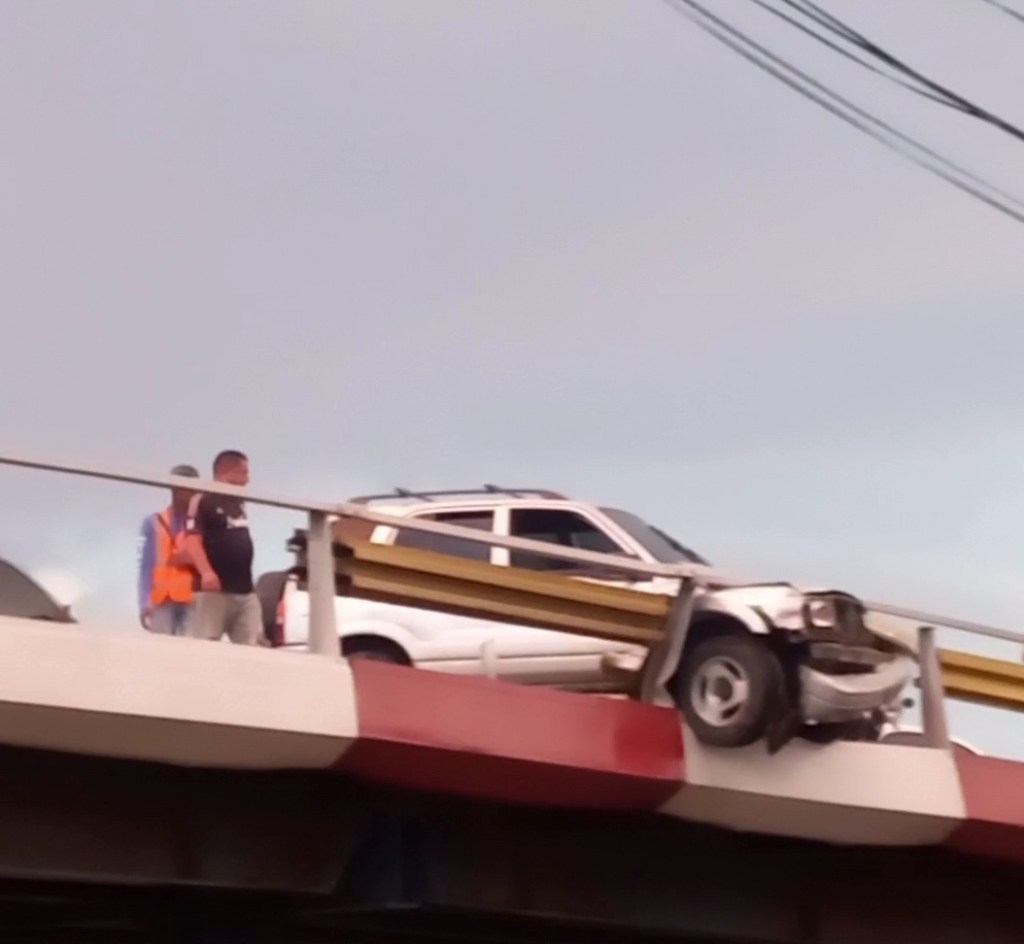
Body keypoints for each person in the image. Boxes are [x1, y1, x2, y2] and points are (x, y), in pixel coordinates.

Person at [184, 449, 262, 645]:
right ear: (228, 471)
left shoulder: (239, 501)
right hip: (214, 592)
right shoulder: (203, 499)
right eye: (244, 473)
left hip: (245, 591)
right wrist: (206, 573)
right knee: (206, 646)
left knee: (253, 645)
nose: (248, 479)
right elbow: (192, 540)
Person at [136, 464, 200, 636]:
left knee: (193, 653)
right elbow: (145, 565)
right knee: (161, 654)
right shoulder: (153, 522)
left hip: (193, 599)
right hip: (162, 599)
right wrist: (144, 601)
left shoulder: (203, 523)